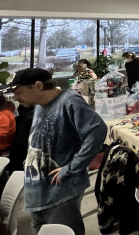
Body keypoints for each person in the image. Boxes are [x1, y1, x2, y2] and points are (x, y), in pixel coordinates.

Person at [8, 68, 107, 235]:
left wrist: (72, 167)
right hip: (38, 191)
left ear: (38, 86)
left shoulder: (70, 101)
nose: (16, 98)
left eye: (19, 92)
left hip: (61, 191)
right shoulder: (39, 104)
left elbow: (97, 131)